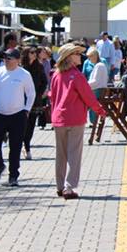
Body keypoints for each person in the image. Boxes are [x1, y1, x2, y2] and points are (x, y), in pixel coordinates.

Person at [49, 43, 106, 199]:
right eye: (76, 53)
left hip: (58, 118)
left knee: (61, 154)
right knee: (74, 153)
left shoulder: (56, 74)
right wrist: (100, 111)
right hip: (74, 118)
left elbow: (52, 97)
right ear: (69, 57)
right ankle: (69, 187)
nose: (79, 55)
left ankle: (60, 186)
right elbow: (88, 96)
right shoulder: (77, 75)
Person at [0, 48, 36, 186]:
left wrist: (27, 110)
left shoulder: (24, 74)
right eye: (5, 58)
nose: (6, 60)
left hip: (18, 115)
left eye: (10, 58)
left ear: (18, 60)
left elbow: (31, 93)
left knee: (15, 146)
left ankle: (13, 176)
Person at [21, 47, 47, 160]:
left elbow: (44, 81)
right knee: (22, 125)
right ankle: (21, 145)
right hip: (21, 100)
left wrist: (39, 94)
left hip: (35, 101)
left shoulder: (39, 66)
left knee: (31, 125)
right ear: (26, 54)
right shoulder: (21, 68)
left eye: (35, 52)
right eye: (32, 52)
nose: (34, 54)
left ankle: (27, 146)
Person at [85, 48, 109, 125]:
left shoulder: (99, 66)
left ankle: (92, 121)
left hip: (97, 91)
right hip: (98, 90)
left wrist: (84, 85)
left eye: (90, 57)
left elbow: (95, 81)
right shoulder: (99, 65)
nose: (89, 59)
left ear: (95, 56)